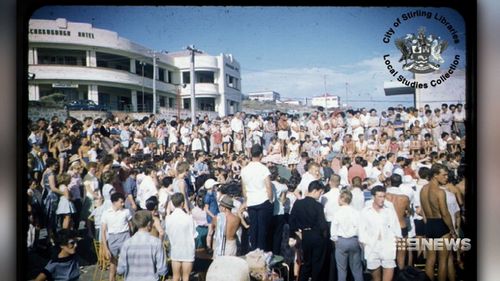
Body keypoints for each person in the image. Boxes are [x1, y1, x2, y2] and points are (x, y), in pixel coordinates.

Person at [420, 164, 457, 281]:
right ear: (435, 175)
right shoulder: (440, 192)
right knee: (443, 261)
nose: (446, 177)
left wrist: (427, 225)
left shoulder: (423, 189)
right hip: (441, 225)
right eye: (444, 175)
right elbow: (445, 213)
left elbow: (423, 212)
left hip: (429, 225)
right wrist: (452, 230)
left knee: (430, 260)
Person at [359, 185, 401, 281]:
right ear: (373, 197)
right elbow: (361, 230)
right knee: (376, 278)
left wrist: (397, 239)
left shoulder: (389, 210)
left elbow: (396, 226)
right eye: (380, 197)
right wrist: (365, 243)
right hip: (372, 247)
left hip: (388, 246)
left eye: (383, 196)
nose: (382, 199)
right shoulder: (366, 211)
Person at [290, 180, 329, 281]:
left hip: (305, 235)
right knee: (317, 264)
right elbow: (322, 225)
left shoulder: (298, 204)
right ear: (315, 191)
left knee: (306, 263)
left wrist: (294, 235)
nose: (320, 195)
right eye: (320, 192)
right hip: (317, 236)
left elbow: (292, 221)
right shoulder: (318, 206)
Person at [117, 210, 168, 281]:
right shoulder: (156, 242)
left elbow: (120, 270)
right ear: (149, 223)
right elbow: (162, 270)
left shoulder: (127, 243)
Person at [240, 144, 273, 251]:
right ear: (261, 155)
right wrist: (271, 200)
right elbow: (268, 186)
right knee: (262, 230)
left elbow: (244, 188)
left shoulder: (244, 170)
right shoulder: (264, 169)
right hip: (263, 200)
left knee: (254, 228)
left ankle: (253, 250)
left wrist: (246, 200)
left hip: (251, 201)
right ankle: (261, 252)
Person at [330, 190, 364, 281]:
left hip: (341, 240)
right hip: (354, 240)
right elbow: (360, 228)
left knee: (341, 269)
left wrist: (335, 240)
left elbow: (333, 230)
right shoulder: (356, 212)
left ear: (342, 199)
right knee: (357, 269)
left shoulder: (337, 212)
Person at [164, 193, 197, 281]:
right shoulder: (189, 218)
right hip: (187, 251)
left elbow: (167, 232)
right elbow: (194, 235)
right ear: (182, 203)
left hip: (175, 250)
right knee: (186, 278)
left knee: (175, 277)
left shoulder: (168, 219)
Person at [101, 192, 132, 281]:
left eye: (123, 202)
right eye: (121, 202)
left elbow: (131, 226)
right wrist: (106, 248)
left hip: (125, 236)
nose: (123, 204)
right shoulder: (106, 213)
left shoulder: (126, 211)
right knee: (113, 263)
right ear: (114, 202)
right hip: (112, 238)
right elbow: (103, 231)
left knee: (126, 262)